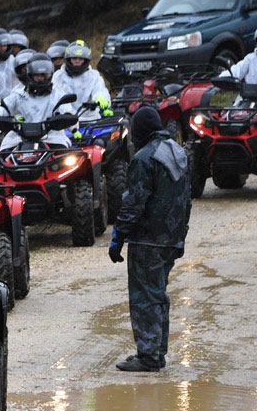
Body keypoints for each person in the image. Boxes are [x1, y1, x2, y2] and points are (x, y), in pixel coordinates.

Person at [109, 105, 191, 372]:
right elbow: (187, 199)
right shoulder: (177, 152)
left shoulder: (144, 158)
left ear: (139, 130)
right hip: (172, 238)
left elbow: (134, 204)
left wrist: (118, 236)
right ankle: (158, 351)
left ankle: (148, 355)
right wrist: (181, 233)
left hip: (148, 240)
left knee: (144, 297)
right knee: (158, 295)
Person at [0, 55, 76, 150]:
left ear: (50, 75)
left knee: (64, 159)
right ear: (30, 75)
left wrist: (67, 117)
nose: (40, 78)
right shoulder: (18, 95)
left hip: (52, 137)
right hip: (19, 138)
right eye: (36, 75)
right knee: (2, 157)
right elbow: (3, 108)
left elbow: (67, 110)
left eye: (43, 75)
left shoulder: (58, 95)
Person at [53, 40, 112, 120]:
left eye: (80, 59)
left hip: (90, 119)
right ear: (68, 59)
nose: (77, 61)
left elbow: (99, 90)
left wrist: (101, 98)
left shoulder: (94, 76)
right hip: (65, 121)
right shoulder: (58, 76)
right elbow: (55, 95)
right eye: (74, 58)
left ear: (86, 60)